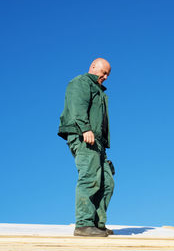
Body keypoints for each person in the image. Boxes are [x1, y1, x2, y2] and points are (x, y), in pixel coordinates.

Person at [58, 58, 115, 237]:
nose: (105, 76)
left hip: (98, 143)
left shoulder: (99, 91)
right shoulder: (81, 82)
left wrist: (103, 145)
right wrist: (85, 129)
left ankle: (97, 224)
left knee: (107, 182)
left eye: (107, 74)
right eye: (103, 72)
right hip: (84, 136)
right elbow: (77, 106)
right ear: (93, 67)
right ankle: (83, 224)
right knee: (90, 178)